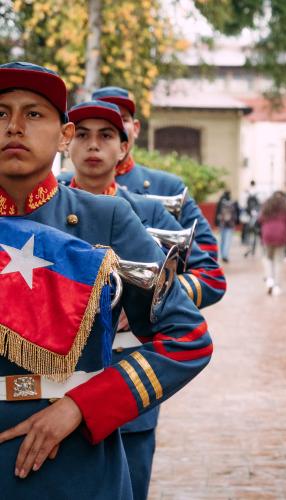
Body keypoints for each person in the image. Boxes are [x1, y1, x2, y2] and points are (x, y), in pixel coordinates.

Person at [0, 61, 213, 498]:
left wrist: (83, 405)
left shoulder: (107, 218)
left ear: (63, 135)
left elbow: (187, 337)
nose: (15, 126)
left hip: (78, 461)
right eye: (0, 113)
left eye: (34, 113)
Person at [66, 100, 226, 500]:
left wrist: (146, 301)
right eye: (82, 134)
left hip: (125, 377)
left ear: (124, 149)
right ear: (65, 143)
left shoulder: (146, 212)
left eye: (106, 135)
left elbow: (210, 277)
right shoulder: (46, 210)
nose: (93, 146)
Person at [58, 86, 219, 261]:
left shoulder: (168, 186)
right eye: (82, 134)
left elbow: (204, 255)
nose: (94, 144)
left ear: (134, 129)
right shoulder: (59, 187)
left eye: (119, 120)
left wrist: (165, 285)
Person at [258, 192, 286, 295]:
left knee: (267, 258)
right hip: (281, 234)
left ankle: (269, 279)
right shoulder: (284, 207)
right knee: (278, 260)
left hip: (267, 234)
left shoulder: (266, 206)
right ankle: (277, 286)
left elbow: (259, 220)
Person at [215, 190, 239, 263]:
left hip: (222, 224)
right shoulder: (233, 202)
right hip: (230, 224)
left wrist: (216, 222)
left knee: (222, 240)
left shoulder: (220, 202)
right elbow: (236, 214)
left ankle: (222, 254)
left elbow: (217, 213)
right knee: (227, 240)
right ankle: (225, 255)